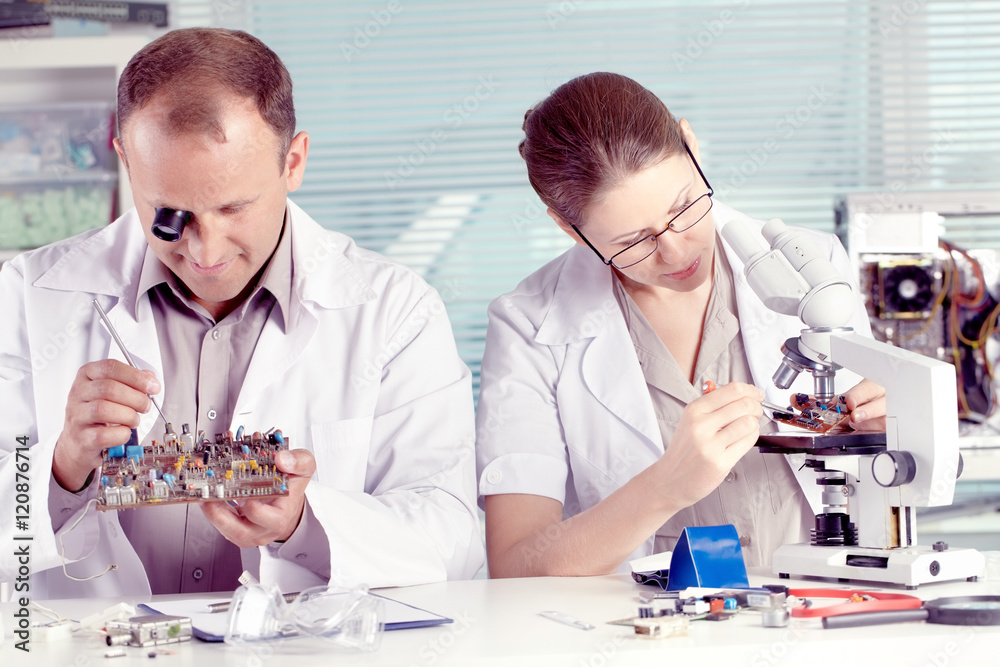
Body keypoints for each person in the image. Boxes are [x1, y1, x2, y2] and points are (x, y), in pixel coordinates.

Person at [0, 28, 483, 600]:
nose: (204, 252)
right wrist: (60, 470)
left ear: (294, 161)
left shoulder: (395, 311)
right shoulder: (27, 296)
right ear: (126, 160)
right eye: (170, 213)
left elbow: (452, 539)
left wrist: (303, 523)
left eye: (233, 207)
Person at [476, 72, 886, 577]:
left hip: (817, 612)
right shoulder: (529, 324)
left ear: (691, 145)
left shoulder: (812, 266)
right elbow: (515, 566)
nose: (674, 252)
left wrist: (896, 431)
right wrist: (668, 485)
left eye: (684, 208)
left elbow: (875, 493)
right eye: (632, 241)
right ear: (568, 228)